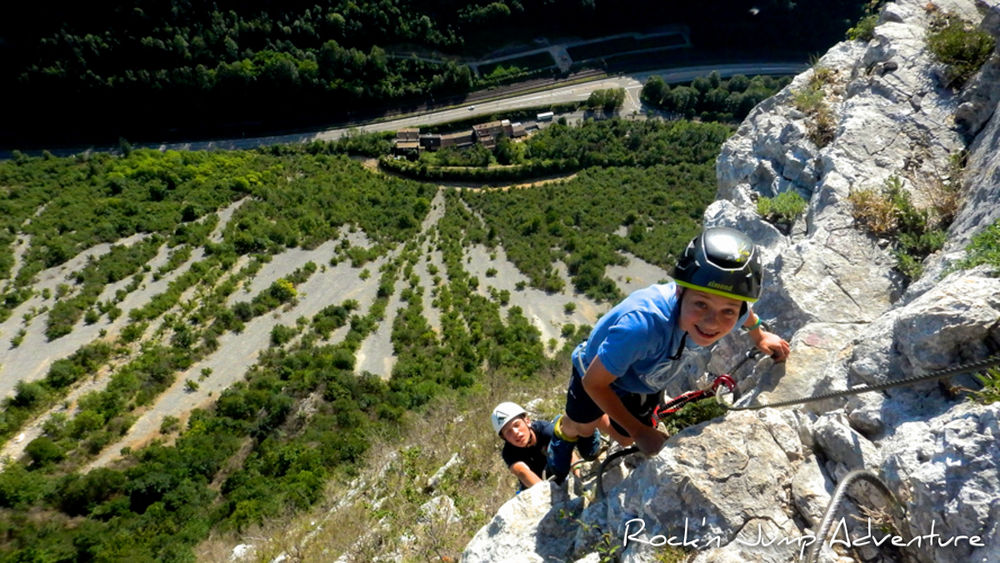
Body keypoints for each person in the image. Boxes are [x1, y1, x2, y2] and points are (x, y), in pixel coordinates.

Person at [547, 226, 791, 483]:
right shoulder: (642, 326)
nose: (712, 322)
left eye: (727, 311)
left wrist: (759, 335)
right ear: (679, 291)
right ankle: (564, 431)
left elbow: (744, 312)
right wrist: (640, 430)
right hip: (596, 373)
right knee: (583, 426)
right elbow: (594, 383)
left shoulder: (730, 303)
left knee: (626, 437)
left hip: (644, 377)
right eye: (701, 304)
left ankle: (600, 422)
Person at [492, 401, 582, 490]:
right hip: (535, 483)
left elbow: (567, 452)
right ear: (504, 438)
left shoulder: (545, 430)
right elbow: (521, 471)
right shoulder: (508, 452)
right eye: (508, 432)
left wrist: (579, 474)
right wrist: (546, 492)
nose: (515, 433)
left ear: (527, 421)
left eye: (517, 425)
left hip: (557, 469)